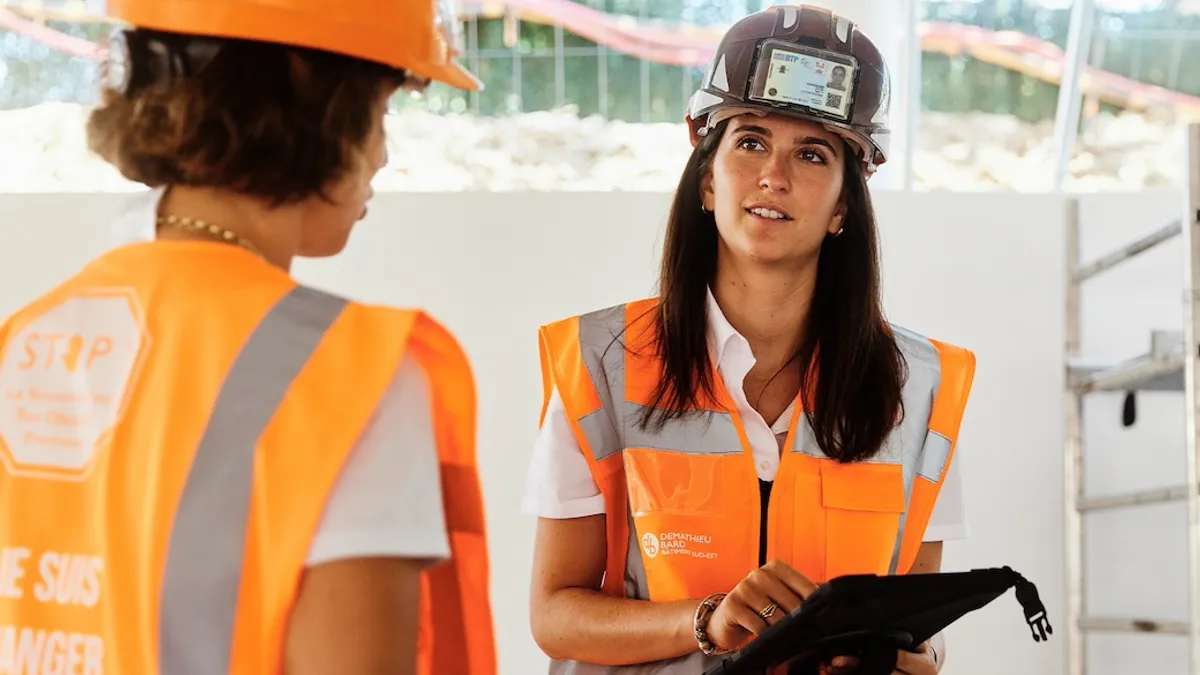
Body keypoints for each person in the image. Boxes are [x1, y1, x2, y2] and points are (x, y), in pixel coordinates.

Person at [0, 1, 495, 674]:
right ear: (314, 101)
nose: (383, 154)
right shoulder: (348, 376)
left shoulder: (21, 343)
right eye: (381, 113)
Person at [524, 5, 975, 674]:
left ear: (843, 208)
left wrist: (900, 658)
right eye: (751, 141)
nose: (775, 176)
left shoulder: (918, 386)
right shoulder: (603, 364)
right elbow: (554, 613)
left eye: (813, 153)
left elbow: (920, 631)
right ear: (707, 178)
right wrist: (705, 620)